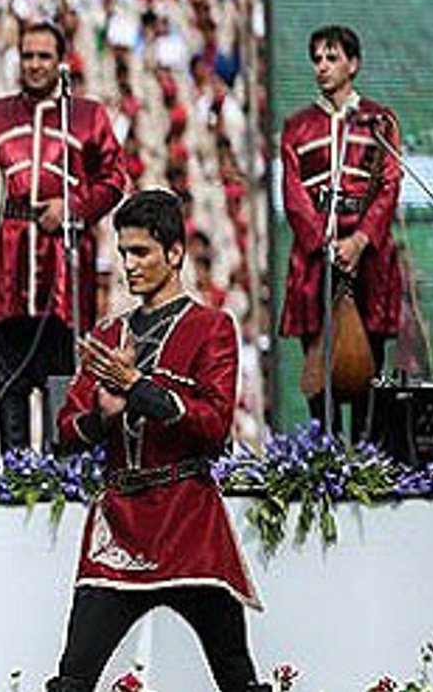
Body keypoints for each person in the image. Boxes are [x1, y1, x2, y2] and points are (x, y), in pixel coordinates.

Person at [48, 189, 267, 692]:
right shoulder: (108, 335)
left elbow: (214, 426)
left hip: (188, 519)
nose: (129, 264)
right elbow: (65, 433)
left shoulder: (212, 328)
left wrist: (137, 388)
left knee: (235, 673)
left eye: (141, 251)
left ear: (174, 253)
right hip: (120, 525)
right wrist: (103, 418)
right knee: (72, 679)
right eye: (124, 251)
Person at [0, 21, 129, 454]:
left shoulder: (88, 117)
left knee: (60, 378)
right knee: (9, 379)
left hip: (62, 266)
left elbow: (113, 179)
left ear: (60, 62)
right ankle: (15, 476)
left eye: (43, 56)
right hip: (4, 265)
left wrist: (74, 207)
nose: (34, 64)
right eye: (27, 55)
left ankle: (60, 474)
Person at [279, 25, 402, 439]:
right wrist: (323, 243)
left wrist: (361, 240)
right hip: (317, 258)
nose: (322, 67)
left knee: (370, 366)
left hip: (369, 257)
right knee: (319, 365)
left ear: (353, 64)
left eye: (332, 58)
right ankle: (323, 457)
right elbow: (293, 193)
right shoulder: (297, 126)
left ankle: (370, 457)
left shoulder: (379, 121)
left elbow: (389, 185)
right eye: (317, 59)